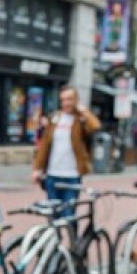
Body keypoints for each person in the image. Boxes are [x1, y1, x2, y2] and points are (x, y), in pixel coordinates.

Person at [31, 84, 101, 216]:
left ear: (76, 100)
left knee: (69, 215)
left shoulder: (80, 120)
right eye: (63, 100)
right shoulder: (55, 119)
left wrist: (82, 110)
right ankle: (58, 238)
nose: (66, 103)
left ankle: (72, 237)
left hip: (72, 177)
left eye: (69, 99)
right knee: (53, 216)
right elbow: (44, 146)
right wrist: (37, 169)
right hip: (52, 176)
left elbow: (95, 126)